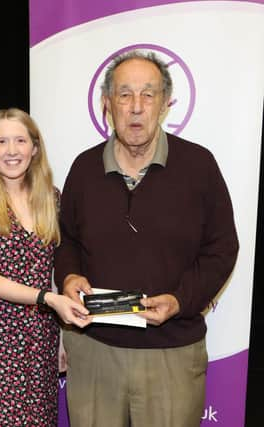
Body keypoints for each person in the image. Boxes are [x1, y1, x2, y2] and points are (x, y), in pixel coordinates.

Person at [55, 50, 239, 427]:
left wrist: (180, 300)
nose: (136, 107)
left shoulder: (199, 166)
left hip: (171, 352)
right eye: (124, 94)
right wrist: (70, 277)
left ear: (165, 105)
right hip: (94, 351)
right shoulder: (84, 167)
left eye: (148, 94)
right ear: (107, 104)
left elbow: (222, 249)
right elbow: (67, 240)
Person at [0, 108, 90, 426]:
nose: (12, 150)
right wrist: (50, 300)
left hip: (39, 342)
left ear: (35, 148)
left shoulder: (51, 199)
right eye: (1, 142)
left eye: (20, 140)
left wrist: (59, 337)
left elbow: (53, 272)